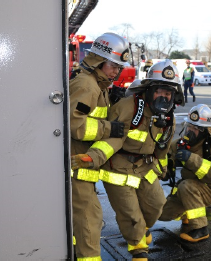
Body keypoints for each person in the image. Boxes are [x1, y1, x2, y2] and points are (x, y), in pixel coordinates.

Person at [72, 59, 183, 260]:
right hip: (119, 168)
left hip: (146, 167)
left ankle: (141, 230)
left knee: (157, 206)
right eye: (159, 91)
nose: (164, 98)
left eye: (168, 94)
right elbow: (113, 138)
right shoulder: (129, 107)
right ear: (149, 90)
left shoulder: (169, 118)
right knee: (130, 214)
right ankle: (138, 249)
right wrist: (92, 158)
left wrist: (164, 169)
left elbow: (162, 148)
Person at [69, 32, 128, 260]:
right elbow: (76, 125)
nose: (116, 72)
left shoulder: (97, 84)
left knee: (84, 220)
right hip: (78, 165)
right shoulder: (87, 85)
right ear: (98, 60)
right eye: (113, 66)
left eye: (119, 68)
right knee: (89, 221)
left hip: (84, 165)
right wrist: (109, 129)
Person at [159, 104, 211, 243]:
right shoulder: (177, 144)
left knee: (187, 186)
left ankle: (201, 229)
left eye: (196, 128)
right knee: (162, 215)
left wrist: (191, 159)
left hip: (209, 189)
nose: (190, 130)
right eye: (189, 126)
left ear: (205, 131)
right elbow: (164, 162)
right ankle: (187, 214)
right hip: (184, 190)